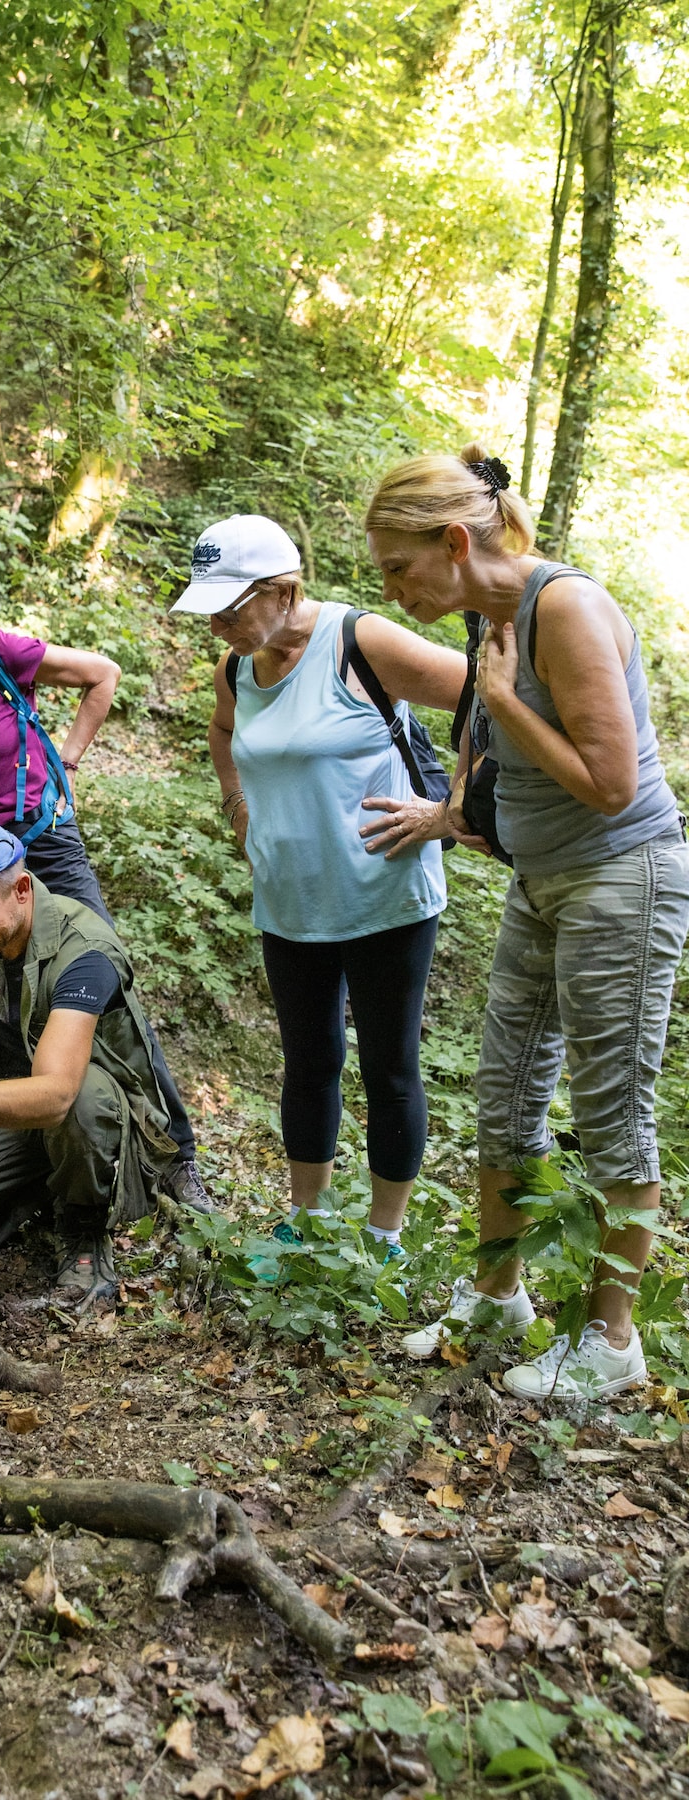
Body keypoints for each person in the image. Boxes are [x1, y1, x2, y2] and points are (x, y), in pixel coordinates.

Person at [364, 445, 689, 1400]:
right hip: (541, 883)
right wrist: (447, 806)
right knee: (504, 1094)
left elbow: (610, 783)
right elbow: (485, 741)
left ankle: (611, 1341)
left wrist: (505, 696)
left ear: (456, 541)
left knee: (611, 1113)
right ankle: (499, 1296)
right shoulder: (488, 615)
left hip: (620, 879)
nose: (392, 589)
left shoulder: (568, 608)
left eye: (397, 567)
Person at [0, 550, 215, 1212]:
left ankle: (177, 1157)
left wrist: (70, 761)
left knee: (103, 982)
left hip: (39, 842)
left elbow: (102, 676)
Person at [171, 514, 468, 1263]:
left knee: (390, 1066)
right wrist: (237, 802)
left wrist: (450, 812)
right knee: (309, 1063)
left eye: (230, 608)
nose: (217, 625)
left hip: (384, 895)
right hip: (290, 900)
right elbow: (221, 731)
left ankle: (384, 1236)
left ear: (282, 589)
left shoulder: (359, 642)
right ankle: (308, 1225)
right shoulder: (237, 668)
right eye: (208, 609)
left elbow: (485, 700)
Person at [0, 818, 180, 1303]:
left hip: (88, 1121)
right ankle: (35, 1189)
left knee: (83, 1101)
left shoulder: (85, 950)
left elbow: (56, 1094)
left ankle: (84, 1225)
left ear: (22, 890)